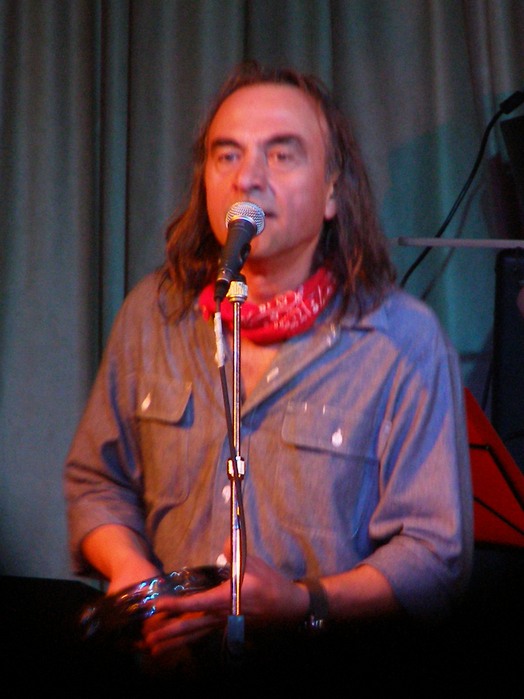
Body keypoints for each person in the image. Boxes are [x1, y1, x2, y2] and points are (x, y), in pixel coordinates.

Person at [64, 61, 473, 691]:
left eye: (282, 155)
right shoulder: (153, 314)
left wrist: (303, 604)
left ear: (333, 192)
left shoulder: (402, 341)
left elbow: (435, 551)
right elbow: (97, 481)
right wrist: (133, 578)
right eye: (226, 155)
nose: (247, 177)